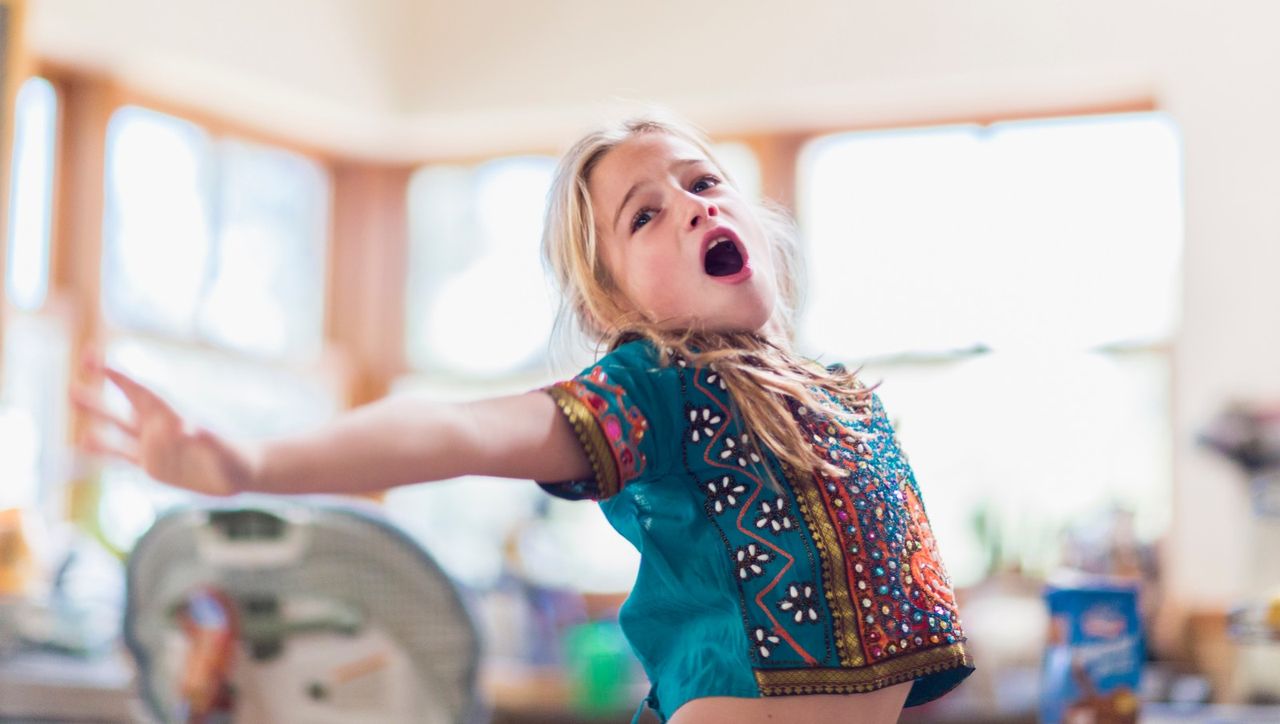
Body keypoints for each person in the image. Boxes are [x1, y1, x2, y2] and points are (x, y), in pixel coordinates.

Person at [74, 113, 974, 723]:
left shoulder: (844, 400)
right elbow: (460, 431)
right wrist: (249, 465)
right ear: (611, 304)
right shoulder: (657, 386)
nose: (692, 205)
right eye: (644, 215)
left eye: (702, 180)